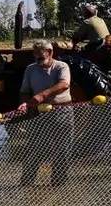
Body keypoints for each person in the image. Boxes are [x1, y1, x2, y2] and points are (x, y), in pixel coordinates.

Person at [16, 40, 75, 187]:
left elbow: (64, 84)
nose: (37, 57)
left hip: (62, 112)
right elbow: (24, 91)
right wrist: (24, 104)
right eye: (35, 54)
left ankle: (58, 184)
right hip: (39, 114)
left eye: (40, 54)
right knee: (35, 148)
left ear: (50, 52)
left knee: (63, 149)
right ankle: (26, 184)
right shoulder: (30, 69)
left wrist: (42, 96)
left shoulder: (61, 66)